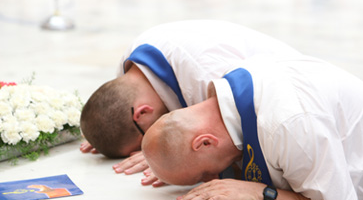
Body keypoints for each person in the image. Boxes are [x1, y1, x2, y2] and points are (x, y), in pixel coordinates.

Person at [140, 54, 363, 200]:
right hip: (333, 190)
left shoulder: (287, 122)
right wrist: (173, 167)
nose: (214, 178)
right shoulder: (230, 92)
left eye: (206, 172)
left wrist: (255, 193)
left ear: (205, 143)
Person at [79, 20, 301, 184]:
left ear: (141, 113)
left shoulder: (207, 78)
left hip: (295, 108)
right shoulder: (131, 68)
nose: (144, 148)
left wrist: (169, 157)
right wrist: (101, 131)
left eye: (142, 142)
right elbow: (110, 107)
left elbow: (241, 149)